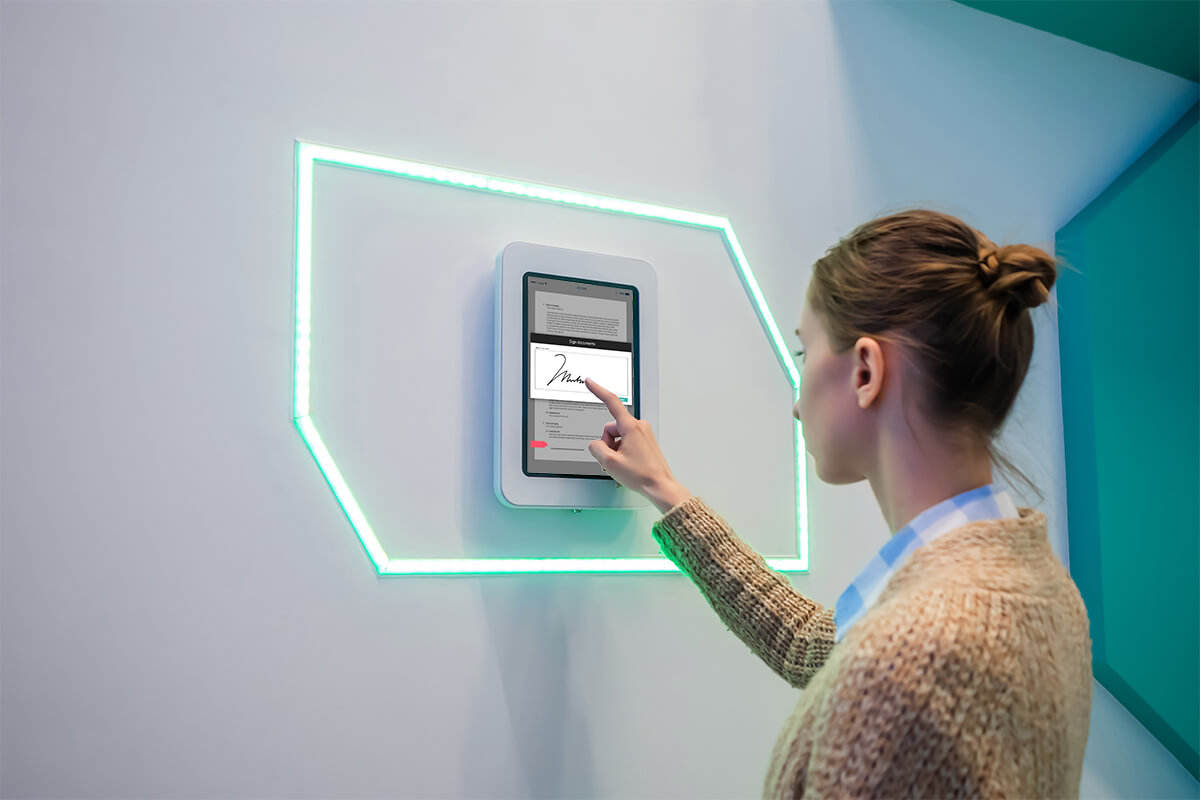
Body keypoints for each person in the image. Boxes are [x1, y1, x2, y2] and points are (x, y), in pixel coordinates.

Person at [583, 208, 1093, 799]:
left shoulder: (908, 660)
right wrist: (665, 491)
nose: (797, 404)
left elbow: (877, 665)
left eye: (805, 354)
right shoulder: (1041, 591)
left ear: (865, 372)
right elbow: (813, 646)